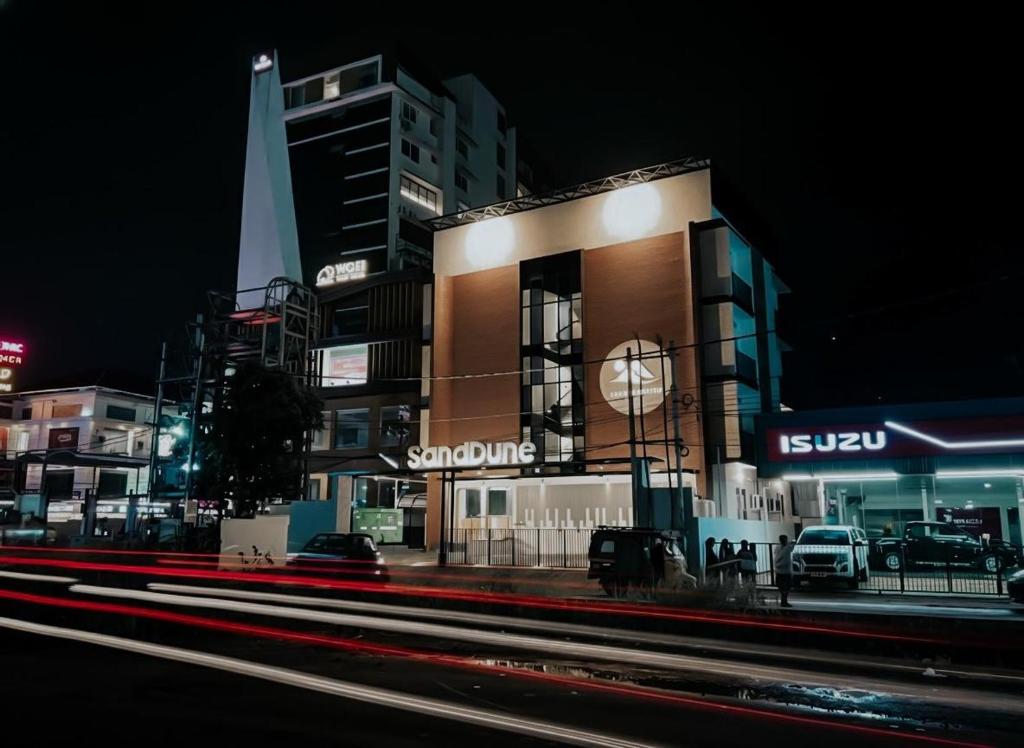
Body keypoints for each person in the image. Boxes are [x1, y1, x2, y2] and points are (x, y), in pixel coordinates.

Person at [773, 534, 795, 608]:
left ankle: (783, 601)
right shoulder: (788, 548)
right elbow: (792, 546)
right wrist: (793, 542)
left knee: (782, 587)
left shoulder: (778, 547)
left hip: (779, 571)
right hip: (786, 571)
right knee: (786, 587)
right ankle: (784, 602)